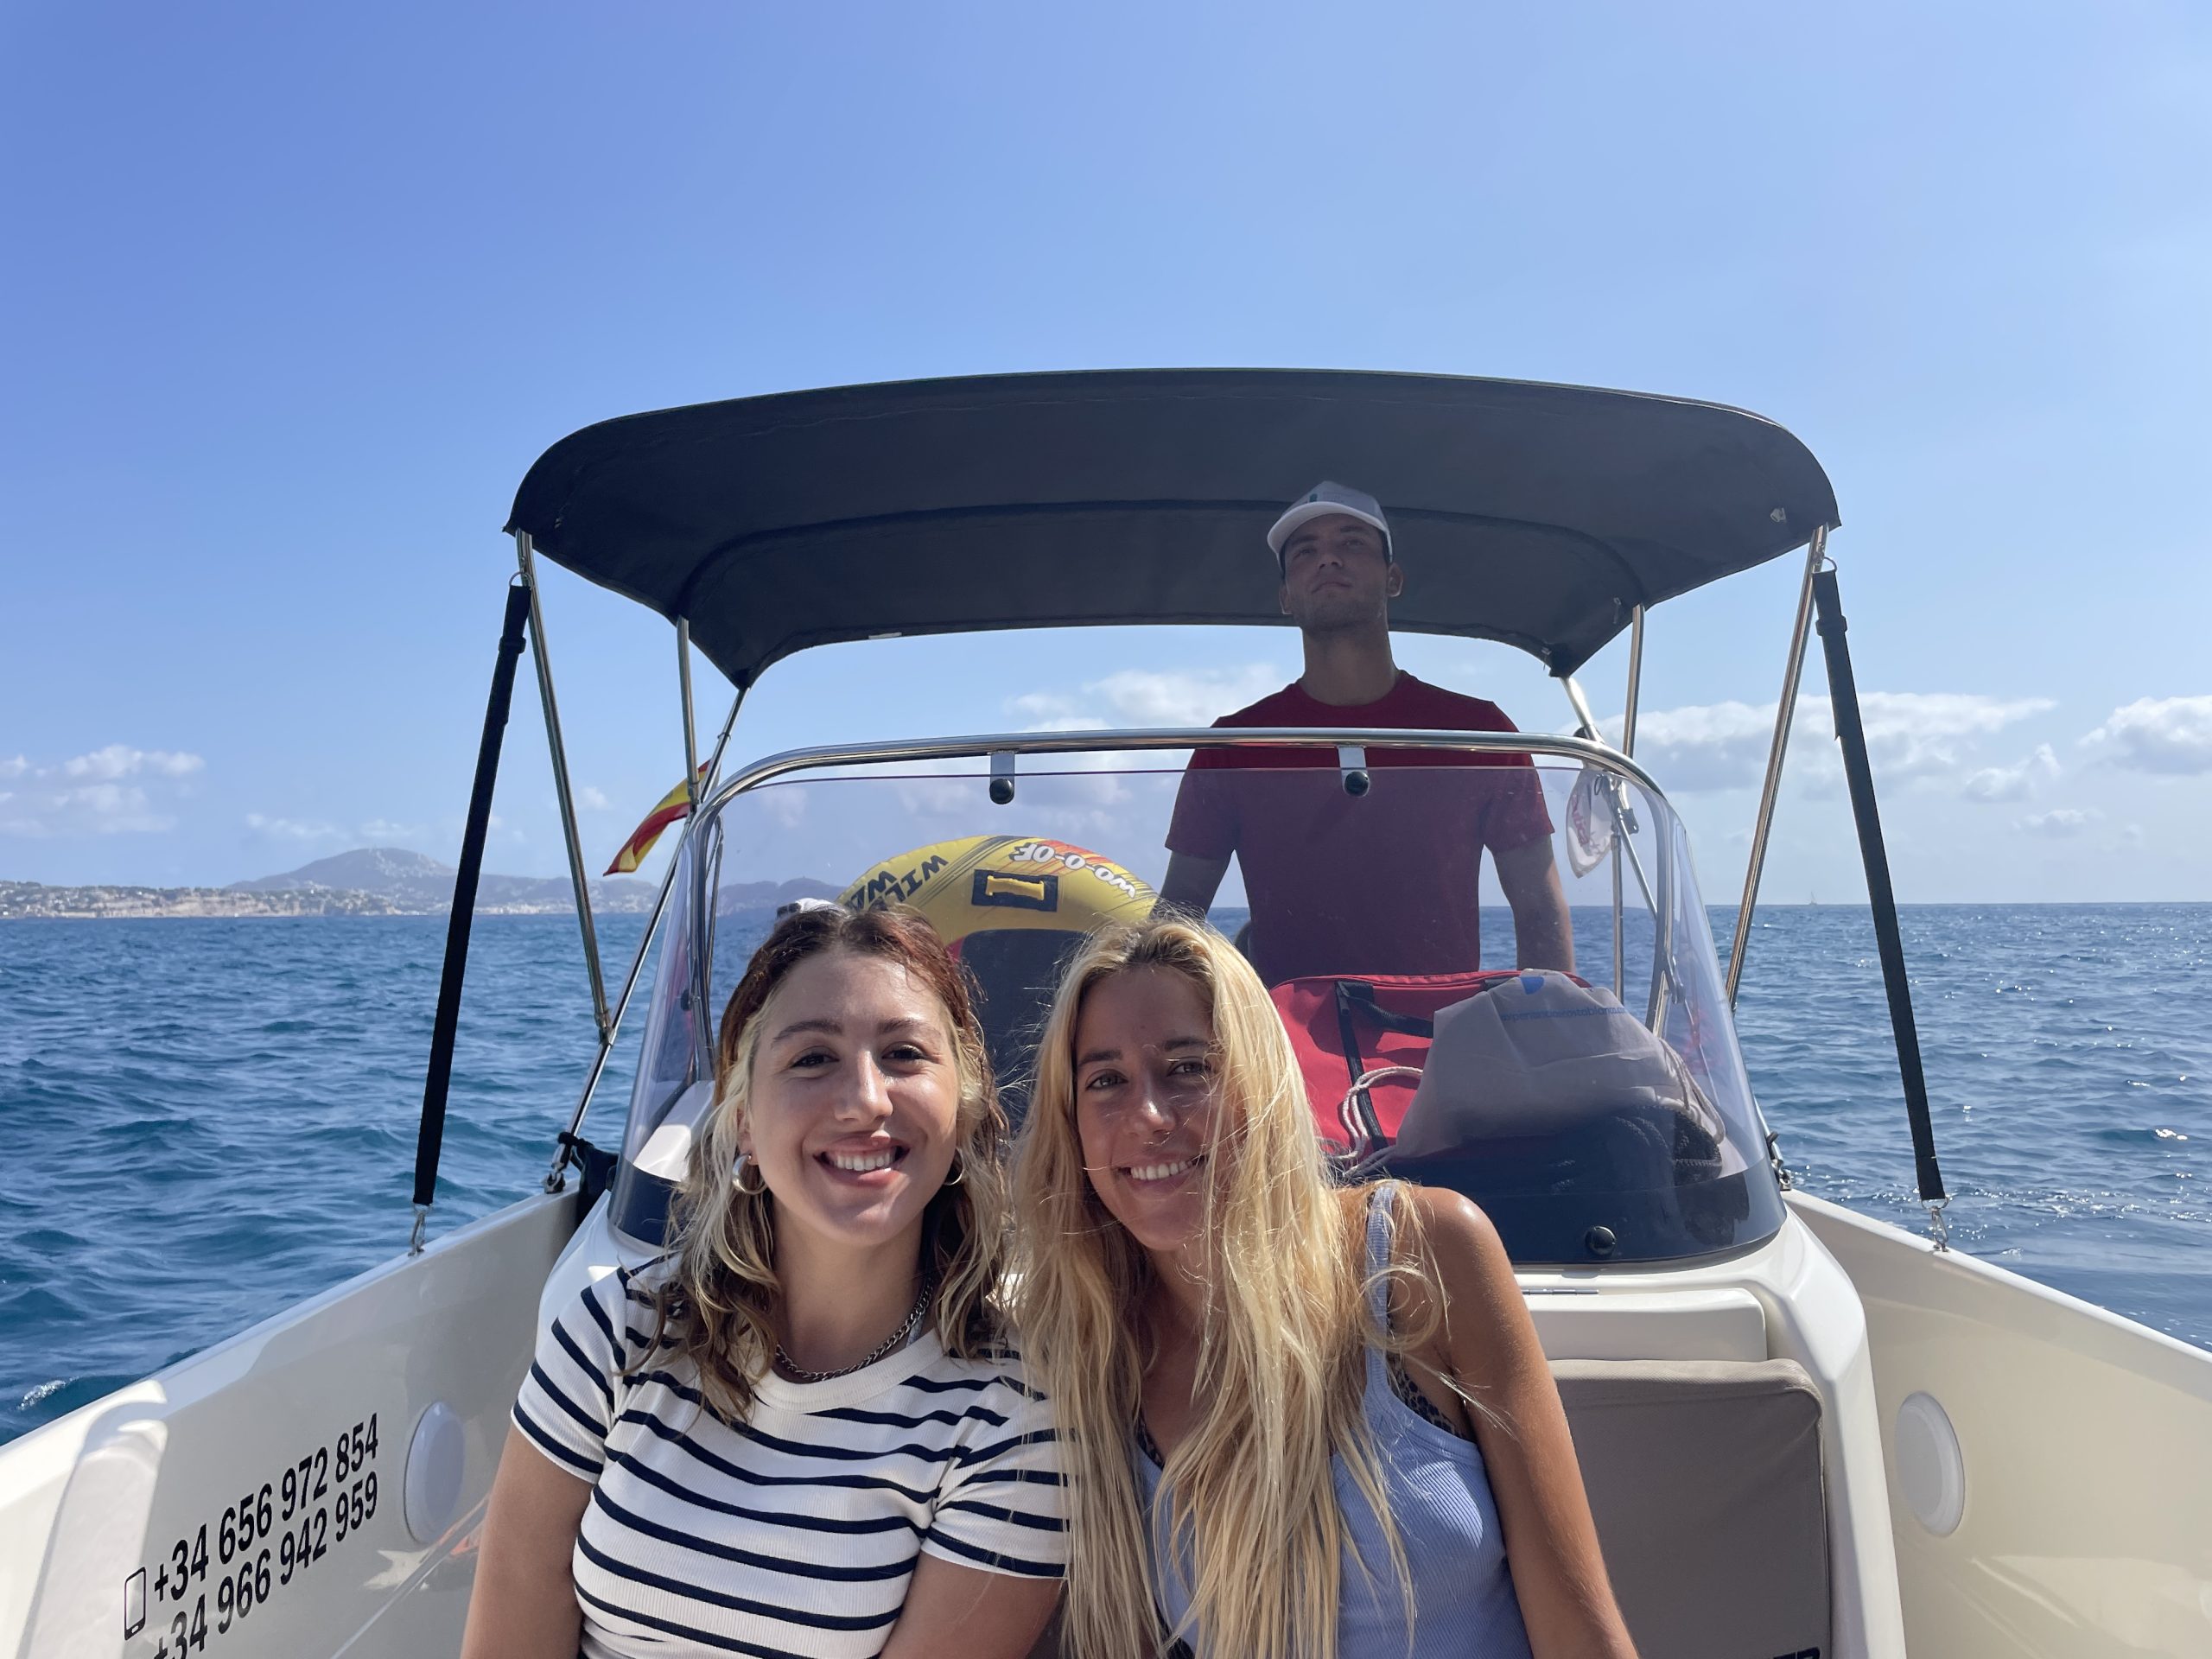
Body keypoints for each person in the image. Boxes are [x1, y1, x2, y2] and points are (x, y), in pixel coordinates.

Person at [1012, 918, 1635, 1659]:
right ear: (1071, 1122)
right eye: (1105, 1080)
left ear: (1257, 1082)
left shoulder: (1421, 1253)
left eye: (1187, 1068)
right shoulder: (1090, 1357)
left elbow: (1582, 1635)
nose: (1147, 1115)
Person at [462, 906, 1066, 1659]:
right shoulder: (620, 1326)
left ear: (964, 1109)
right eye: (812, 1058)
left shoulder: (1012, 1414)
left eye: (905, 1054)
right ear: (743, 1121)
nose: (864, 1101)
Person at [1157, 480, 1575, 985]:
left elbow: (1538, 906)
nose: (1328, 560)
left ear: (1393, 579)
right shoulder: (1232, 746)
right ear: (1285, 596)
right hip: (1284, 1045)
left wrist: (1551, 1029)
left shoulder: (1480, 732)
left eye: (1352, 543)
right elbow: (1178, 918)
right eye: (1305, 552)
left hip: (1439, 1038)